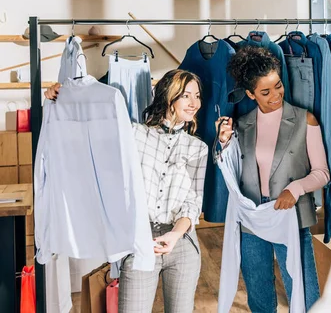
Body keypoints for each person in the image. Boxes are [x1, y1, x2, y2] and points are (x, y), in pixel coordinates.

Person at [44, 69, 208, 313]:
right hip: (140, 240)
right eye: (186, 95)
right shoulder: (134, 135)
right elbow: (90, 130)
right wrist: (63, 97)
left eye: (197, 96)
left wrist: (174, 236)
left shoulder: (198, 148)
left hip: (182, 244)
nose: (194, 103)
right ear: (168, 96)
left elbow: (192, 204)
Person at [216, 47, 330, 312]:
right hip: (253, 218)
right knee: (259, 296)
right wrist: (224, 143)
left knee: (305, 291)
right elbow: (233, 168)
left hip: (289, 214)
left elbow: (322, 173)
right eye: (265, 92)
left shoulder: (305, 119)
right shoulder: (242, 125)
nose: (276, 95)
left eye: (278, 86)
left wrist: (295, 188)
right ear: (250, 94)